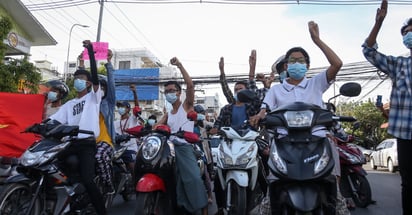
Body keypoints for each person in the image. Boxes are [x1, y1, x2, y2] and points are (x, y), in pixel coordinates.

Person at [249, 21, 343, 215]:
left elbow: (337, 64)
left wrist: (317, 40)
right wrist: (259, 116)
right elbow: (265, 108)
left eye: (301, 61)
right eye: (292, 61)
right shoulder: (276, 90)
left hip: (317, 140)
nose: (296, 64)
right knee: (270, 196)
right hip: (284, 143)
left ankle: (339, 203)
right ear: (286, 65)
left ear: (307, 65)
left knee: (335, 191)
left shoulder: (316, 83)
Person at [362, 1, 412, 213]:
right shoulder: (399, 64)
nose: (408, 35)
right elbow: (369, 51)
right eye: (405, 33)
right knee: (408, 185)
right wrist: (378, 23)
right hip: (406, 135)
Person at [49, 40, 106, 215]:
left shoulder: (93, 98)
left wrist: (90, 51)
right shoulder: (68, 104)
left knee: (89, 180)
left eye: (81, 79)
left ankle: (101, 211)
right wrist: (37, 125)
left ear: (89, 84)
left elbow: (95, 77)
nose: (77, 81)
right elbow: (54, 120)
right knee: (50, 166)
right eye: (76, 78)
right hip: (70, 143)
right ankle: (71, 190)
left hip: (87, 144)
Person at [156, 57, 208, 215]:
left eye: (172, 91)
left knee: (192, 179)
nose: (169, 93)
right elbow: (156, 126)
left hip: (184, 147)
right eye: (167, 92)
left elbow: (191, 85)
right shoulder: (168, 113)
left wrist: (179, 65)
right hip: (168, 148)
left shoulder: (186, 106)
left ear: (179, 93)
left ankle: (204, 208)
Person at [95, 49, 116, 196]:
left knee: (99, 156)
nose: (100, 90)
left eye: (103, 88)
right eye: (98, 87)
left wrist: (108, 63)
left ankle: (109, 184)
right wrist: (82, 64)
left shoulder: (107, 103)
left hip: (105, 141)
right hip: (87, 141)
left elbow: (112, 85)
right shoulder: (88, 103)